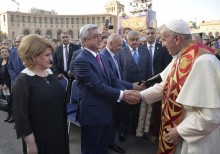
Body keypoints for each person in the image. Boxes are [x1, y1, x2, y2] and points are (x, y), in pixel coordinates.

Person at [135, 19, 220, 154]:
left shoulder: (204, 61)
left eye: (163, 39)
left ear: (176, 38)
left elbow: (211, 115)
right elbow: (166, 85)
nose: (162, 44)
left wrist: (180, 131)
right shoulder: (180, 57)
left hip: (197, 139)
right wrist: (140, 95)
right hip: (179, 130)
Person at [74, 24, 139, 154]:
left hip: (106, 111)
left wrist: (126, 91)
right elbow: (97, 86)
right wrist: (123, 95)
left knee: (103, 148)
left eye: (100, 36)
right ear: (85, 41)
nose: (99, 39)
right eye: (95, 36)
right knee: (91, 149)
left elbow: (112, 80)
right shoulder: (81, 60)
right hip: (92, 115)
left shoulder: (101, 57)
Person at [13, 34, 69, 154]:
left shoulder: (49, 72)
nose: (51, 58)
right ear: (34, 57)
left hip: (57, 131)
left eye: (51, 54)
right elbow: (21, 118)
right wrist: (31, 144)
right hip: (40, 137)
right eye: (47, 55)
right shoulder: (23, 81)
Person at [138, 27, 172, 142]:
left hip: (159, 84)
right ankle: (141, 131)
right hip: (144, 83)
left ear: (156, 34)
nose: (150, 35)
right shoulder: (141, 49)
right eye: (148, 33)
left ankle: (154, 132)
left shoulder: (162, 48)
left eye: (152, 33)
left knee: (156, 111)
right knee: (143, 110)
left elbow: (167, 67)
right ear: (145, 35)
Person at [118, 30, 151, 142]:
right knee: (124, 112)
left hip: (141, 87)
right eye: (132, 40)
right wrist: (123, 87)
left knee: (138, 110)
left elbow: (148, 68)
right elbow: (119, 71)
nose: (135, 42)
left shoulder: (145, 51)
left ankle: (137, 130)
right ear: (127, 41)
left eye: (137, 39)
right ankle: (123, 131)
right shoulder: (121, 52)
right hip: (126, 88)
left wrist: (146, 83)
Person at [0, 46, 11, 122]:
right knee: (6, 101)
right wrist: (0, 84)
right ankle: (9, 114)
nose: (4, 53)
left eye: (6, 51)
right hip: (2, 85)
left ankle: (13, 116)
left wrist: (6, 84)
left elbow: (12, 74)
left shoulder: (11, 61)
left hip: (9, 84)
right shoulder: (0, 61)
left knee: (11, 101)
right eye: (2, 52)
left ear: (9, 52)